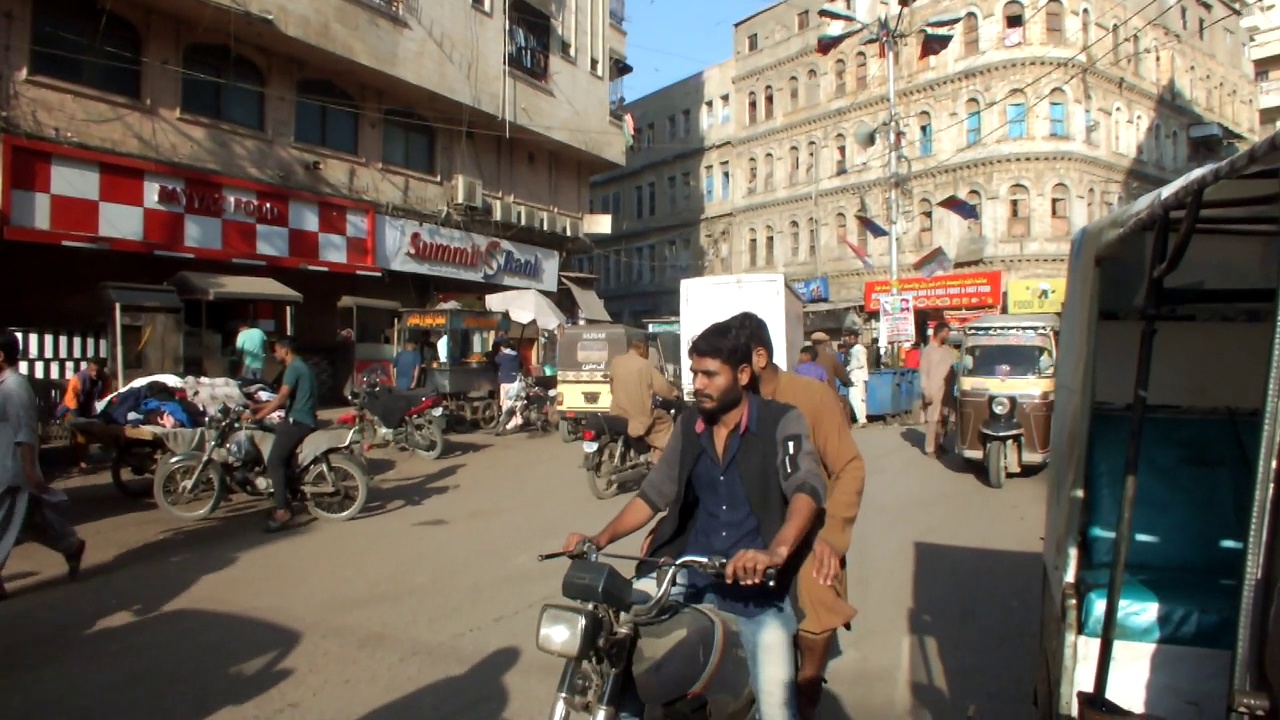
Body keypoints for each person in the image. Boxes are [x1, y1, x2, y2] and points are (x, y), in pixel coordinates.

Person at [564, 318, 827, 720]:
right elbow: (654, 494)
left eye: (709, 374)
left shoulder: (782, 421)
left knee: (777, 704)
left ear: (742, 375)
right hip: (686, 577)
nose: (698, 384)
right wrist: (599, 539)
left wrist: (776, 551)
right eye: (694, 373)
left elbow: (806, 490)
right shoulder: (690, 425)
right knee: (620, 648)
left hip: (757, 595)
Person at [732, 312, 866, 719]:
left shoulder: (812, 397)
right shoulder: (732, 405)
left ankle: (808, 686)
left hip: (809, 530)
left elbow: (849, 467)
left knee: (817, 597)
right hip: (749, 526)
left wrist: (833, 537)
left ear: (758, 358)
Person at [0, 331, 85, 600]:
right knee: (29, 521)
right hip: (4, 469)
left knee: (5, 525)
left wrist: (29, 469)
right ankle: (71, 545)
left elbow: (25, 431)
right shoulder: (4, 385)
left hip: (12, 472)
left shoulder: (15, 388)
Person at [248, 337, 317, 532]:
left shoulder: (293, 368)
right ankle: (286, 495)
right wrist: (256, 407)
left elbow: (281, 399)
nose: (274, 354)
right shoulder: (303, 366)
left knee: (274, 462)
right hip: (303, 419)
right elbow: (286, 401)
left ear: (285, 351)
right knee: (281, 456)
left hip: (298, 422)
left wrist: (258, 416)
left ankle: (282, 510)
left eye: (276, 351)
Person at [607, 336, 679, 463]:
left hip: (617, 412)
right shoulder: (644, 365)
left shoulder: (616, 362)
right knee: (666, 422)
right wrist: (674, 392)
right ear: (643, 349)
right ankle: (655, 457)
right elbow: (662, 387)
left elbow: (612, 386)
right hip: (638, 416)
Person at [55, 356, 111, 471]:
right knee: (80, 431)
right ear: (88, 368)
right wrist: (77, 415)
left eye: (98, 371)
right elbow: (71, 398)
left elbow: (105, 397)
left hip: (90, 409)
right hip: (72, 409)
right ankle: (81, 460)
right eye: (93, 371)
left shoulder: (106, 379)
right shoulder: (78, 378)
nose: (95, 374)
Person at [919, 323, 957, 457]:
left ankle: (939, 443)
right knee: (933, 420)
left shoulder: (947, 350)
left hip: (947, 390)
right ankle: (930, 448)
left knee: (945, 419)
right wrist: (926, 392)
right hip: (933, 390)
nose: (947, 336)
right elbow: (923, 373)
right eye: (946, 333)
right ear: (938, 333)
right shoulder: (928, 351)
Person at [845, 331, 869, 428]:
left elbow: (861, 363)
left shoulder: (859, 349)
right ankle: (862, 419)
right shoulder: (854, 349)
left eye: (852, 339)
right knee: (858, 398)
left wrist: (849, 368)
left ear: (856, 339)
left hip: (858, 376)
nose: (850, 341)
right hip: (856, 376)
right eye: (849, 339)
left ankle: (861, 419)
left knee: (855, 397)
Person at [493, 339, 523, 416]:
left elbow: (496, 360)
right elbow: (521, 365)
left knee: (505, 402)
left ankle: (507, 421)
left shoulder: (501, 357)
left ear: (502, 347)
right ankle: (517, 418)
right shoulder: (517, 355)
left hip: (504, 381)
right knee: (513, 402)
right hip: (515, 381)